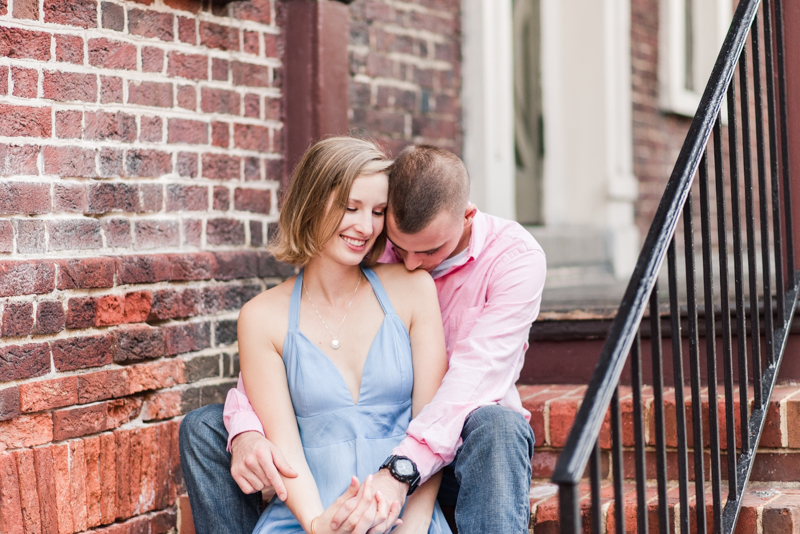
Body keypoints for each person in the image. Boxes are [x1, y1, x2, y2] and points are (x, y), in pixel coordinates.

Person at [181, 144, 546, 534]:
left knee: (497, 425)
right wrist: (246, 432)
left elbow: (464, 388)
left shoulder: (511, 260)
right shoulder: (369, 254)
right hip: (325, 482)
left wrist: (403, 483)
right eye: (397, 244)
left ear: (468, 216)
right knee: (204, 426)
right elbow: (268, 384)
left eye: (374, 213)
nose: (406, 260)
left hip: (455, 452)